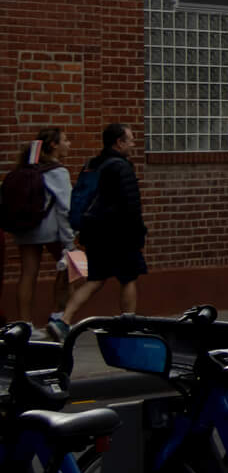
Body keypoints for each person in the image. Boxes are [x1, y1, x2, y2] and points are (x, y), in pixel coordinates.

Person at [54, 124, 144, 335]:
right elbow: (131, 204)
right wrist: (138, 234)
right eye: (130, 140)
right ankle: (128, 327)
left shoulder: (92, 164)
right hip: (120, 234)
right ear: (119, 142)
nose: (133, 144)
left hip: (94, 233)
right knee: (128, 278)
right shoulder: (121, 167)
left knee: (95, 279)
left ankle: (63, 321)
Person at [7, 128, 72, 323]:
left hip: (25, 228)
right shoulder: (58, 172)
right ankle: (58, 315)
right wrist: (70, 241)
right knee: (69, 269)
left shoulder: (24, 169)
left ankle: (24, 323)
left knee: (27, 274)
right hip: (51, 231)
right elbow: (65, 208)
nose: (68, 144)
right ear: (54, 145)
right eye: (65, 140)